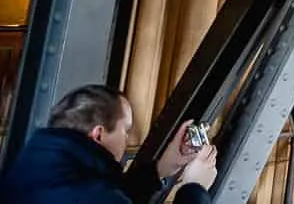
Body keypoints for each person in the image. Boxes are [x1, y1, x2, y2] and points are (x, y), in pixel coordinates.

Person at [0, 84, 217, 203]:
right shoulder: (94, 195)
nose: (128, 139)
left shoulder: (30, 169)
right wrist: (194, 188)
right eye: (126, 129)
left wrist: (161, 168)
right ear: (98, 134)